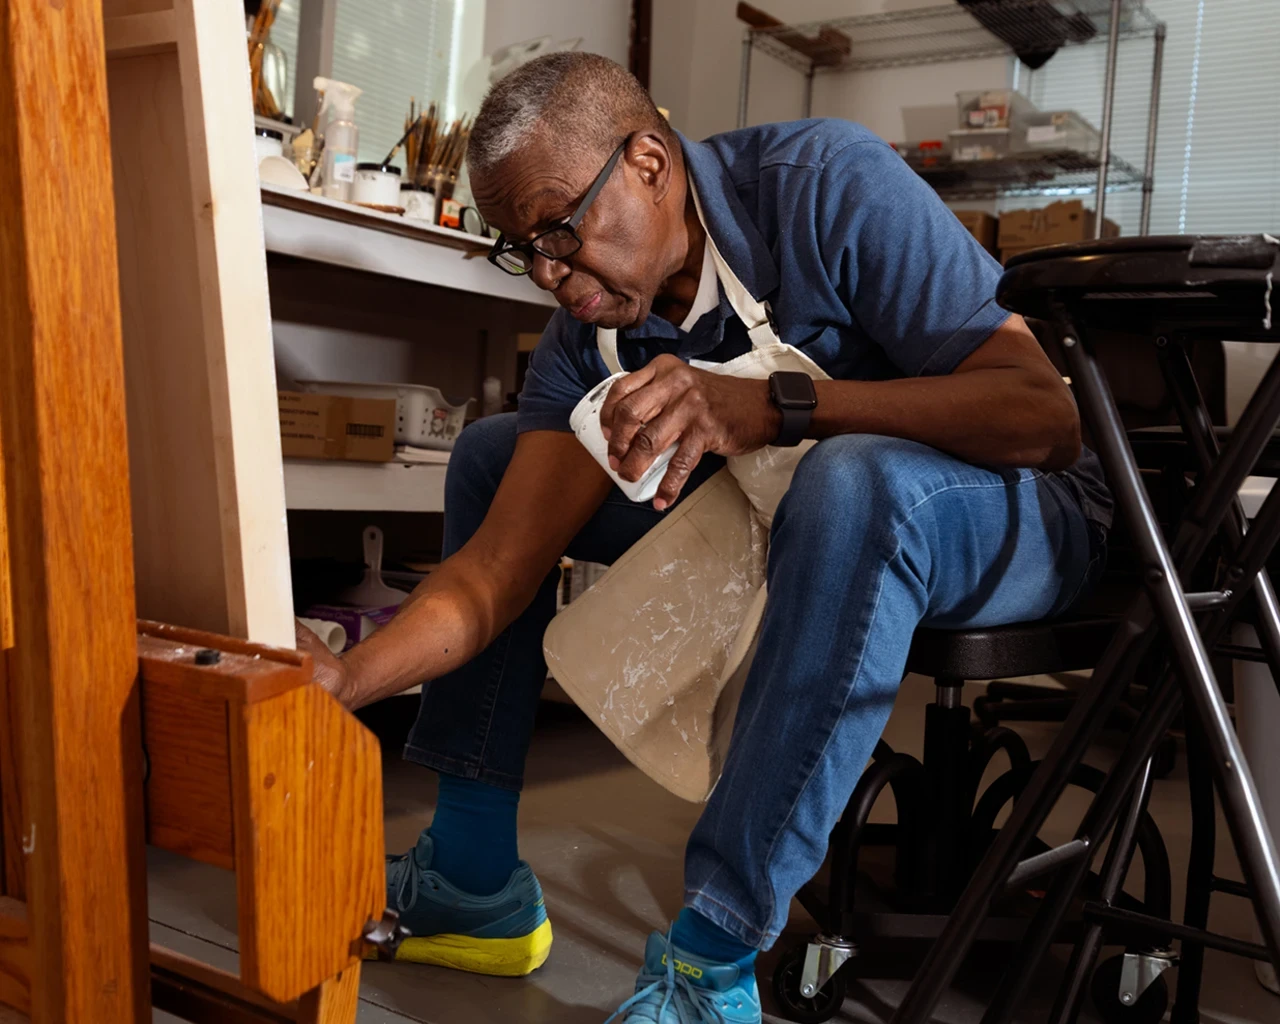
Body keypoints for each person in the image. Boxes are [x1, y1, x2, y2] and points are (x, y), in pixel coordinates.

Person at [296, 52, 1111, 1024]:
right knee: (491, 453)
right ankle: (474, 879)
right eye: (522, 248)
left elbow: (1041, 416)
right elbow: (491, 574)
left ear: (647, 162)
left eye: (561, 228)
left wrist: (784, 406)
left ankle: (711, 964)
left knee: (852, 482)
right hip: (794, 508)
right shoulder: (587, 331)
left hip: (1026, 508)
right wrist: (347, 679)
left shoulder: (822, 189)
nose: (551, 276)